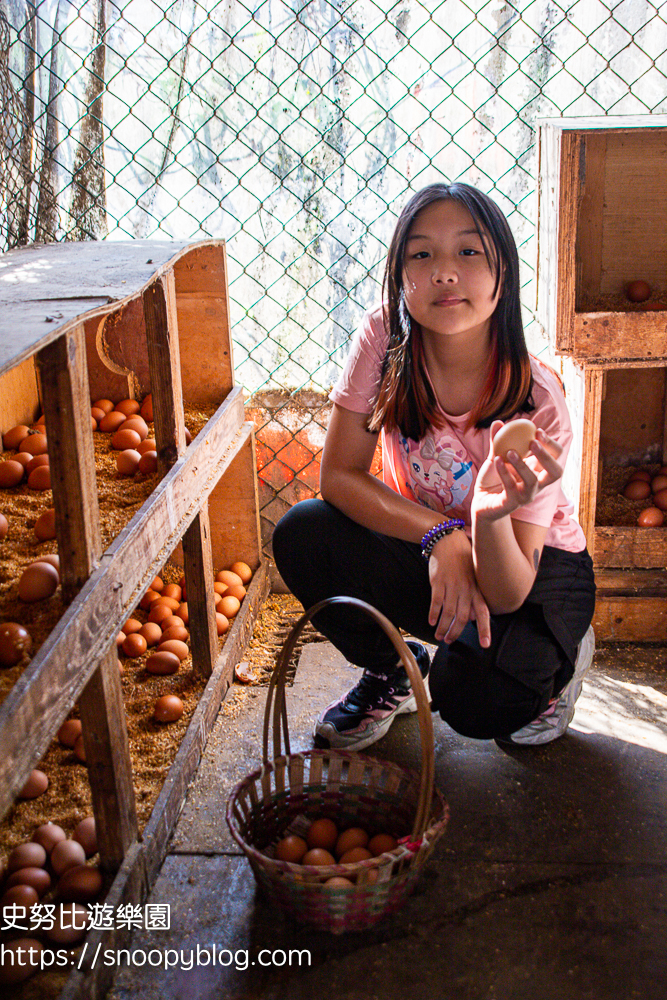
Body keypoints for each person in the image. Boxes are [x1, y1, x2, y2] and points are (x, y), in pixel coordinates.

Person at [272, 182, 596, 750]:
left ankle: (558, 664)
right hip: (433, 545)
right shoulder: (384, 338)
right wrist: (442, 535)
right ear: (401, 275)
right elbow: (338, 478)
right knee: (304, 533)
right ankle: (394, 671)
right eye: (422, 254)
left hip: (531, 568)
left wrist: (490, 518)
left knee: (476, 702)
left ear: (504, 275)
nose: (444, 272)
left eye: (468, 252)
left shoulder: (537, 402)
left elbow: (509, 591)